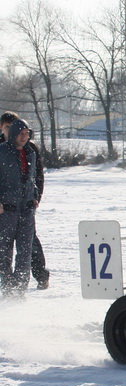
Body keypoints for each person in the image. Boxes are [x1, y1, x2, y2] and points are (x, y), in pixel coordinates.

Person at [0, 113, 48, 289]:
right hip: (7, 210)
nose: (24, 137)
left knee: (25, 252)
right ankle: (7, 287)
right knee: (4, 252)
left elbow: (35, 178)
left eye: (27, 133)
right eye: (21, 133)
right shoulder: (2, 152)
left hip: (26, 210)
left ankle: (20, 288)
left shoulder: (31, 152)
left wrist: (35, 196)